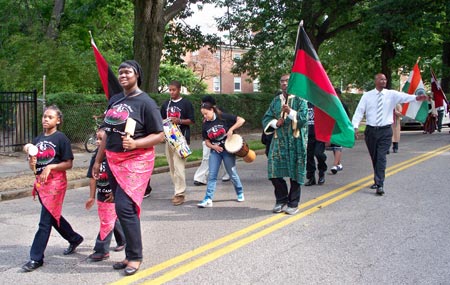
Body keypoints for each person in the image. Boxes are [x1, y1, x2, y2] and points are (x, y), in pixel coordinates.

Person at [93, 60, 164, 276]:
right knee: (121, 208)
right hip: (113, 160)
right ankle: (130, 254)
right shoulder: (115, 100)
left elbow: (160, 134)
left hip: (136, 161)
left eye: (128, 72)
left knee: (125, 207)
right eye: (120, 72)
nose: (123, 75)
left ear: (137, 75)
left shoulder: (146, 102)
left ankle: (135, 257)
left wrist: (136, 143)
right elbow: (106, 132)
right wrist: (98, 160)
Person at [22, 105, 84, 272]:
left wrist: (51, 167)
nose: (45, 119)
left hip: (56, 183)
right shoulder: (37, 140)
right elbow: (34, 166)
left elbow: (69, 164)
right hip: (41, 183)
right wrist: (32, 164)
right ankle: (74, 237)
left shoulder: (61, 138)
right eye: (44, 116)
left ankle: (36, 258)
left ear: (58, 120)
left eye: (50, 117)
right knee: (51, 215)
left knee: (45, 221)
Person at [352, 73, 427, 196]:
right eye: (381, 79)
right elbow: (359, 111)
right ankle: (377, 179)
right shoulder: (367, 96)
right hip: (371, 131)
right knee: (375, 157)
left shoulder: (391, 94)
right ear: (375, 81)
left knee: (381, 156)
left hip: (385, 131)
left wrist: (417, 98)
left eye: (385, 79)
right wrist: (355, 127)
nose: (384, 81)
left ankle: (380, 184)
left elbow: (406, 97)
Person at [262, 74, 308, 215]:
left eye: (287, 81)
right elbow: (267, 117)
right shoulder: (276, 101)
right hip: (279, 140)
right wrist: (276, 123)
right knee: (274, 170)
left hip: (296, 141)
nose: (284, 84)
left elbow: (304, 118)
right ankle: (281, 200)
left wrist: (291, 113)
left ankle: (293, 203)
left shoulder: (300, 100)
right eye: (282, 81)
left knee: (295, 172)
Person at [85, 127, 125, 262]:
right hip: (101, 194)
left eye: (101, 139)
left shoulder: (114, 156)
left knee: (106, 221)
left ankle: (101, 250)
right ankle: (124, 240)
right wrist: (91, 196)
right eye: (97, 139)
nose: (98, 142)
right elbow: (92, 177)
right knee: (112, 219)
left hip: (112, 194)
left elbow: (120, 177)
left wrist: (115, 192)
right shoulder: (96, 157)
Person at [197, 101, 246, 208]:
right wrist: (214, 147)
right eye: (203, 114)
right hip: (215, 151)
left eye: (206, 113)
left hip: (228, 150)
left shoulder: (223, 117)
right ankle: (208, 198)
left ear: (212, 110)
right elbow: (207, 141)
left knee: (232, 173)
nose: (205, 116)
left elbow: (241, 120)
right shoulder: (205, 124)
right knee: (212, 175)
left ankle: (239, 191)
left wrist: (231, 130)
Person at [160, 81, 195, 206]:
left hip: (182, 139)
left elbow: (192, 120)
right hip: (170, 139)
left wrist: (179, 120)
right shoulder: (166, 104)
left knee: (179, 167)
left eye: (173, 90)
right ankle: (177, 190)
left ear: (179, 90)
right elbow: (161, 119)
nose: (171, 92)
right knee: (172, 167)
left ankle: (180, 193)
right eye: (169, 90)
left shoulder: (186, 103)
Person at [193, 95, 230, 185]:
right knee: (209, 157)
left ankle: (227, 173)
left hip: (219, 139)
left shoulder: (220, 114)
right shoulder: (207, 113)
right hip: (209, 139)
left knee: (219, 157)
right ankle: (201, 178)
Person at [305, 102, 327, 185]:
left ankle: (322, 172)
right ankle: (311, 177)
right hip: (308, 134)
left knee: (319, 154)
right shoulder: (305, 104)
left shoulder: (320, 104)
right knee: (308, 156)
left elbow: (326, 121)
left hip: (319, 135)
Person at [328, 88, 350, 174]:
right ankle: (339, 164)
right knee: (334, 146)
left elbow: (346, 117)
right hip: (331, 128)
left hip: (339, 127)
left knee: (337, 145)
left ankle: (334, 165)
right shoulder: (329, 105)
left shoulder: (343, 105)